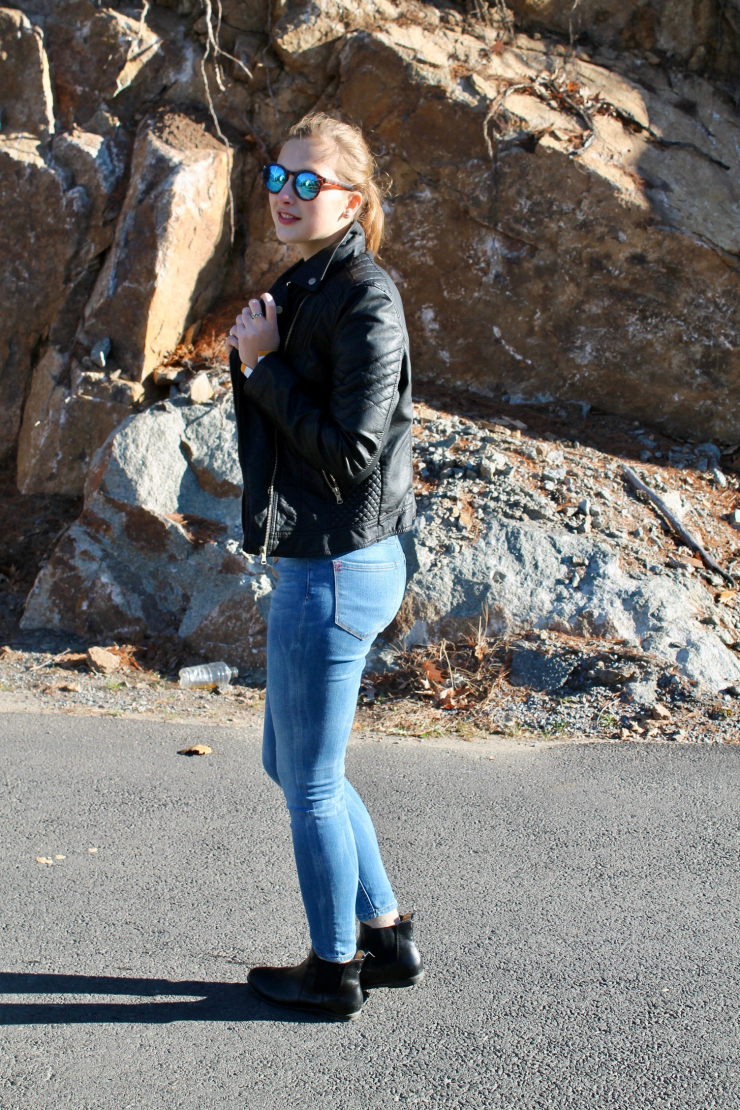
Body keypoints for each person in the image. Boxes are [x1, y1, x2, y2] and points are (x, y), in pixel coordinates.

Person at [226, 112, 423, 1021]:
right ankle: (381, 931)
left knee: (306, 781)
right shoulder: (310, 282)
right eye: (278, 177)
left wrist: (263, 368)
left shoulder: (365, 300)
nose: (286, 195)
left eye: (308, 182)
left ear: (351, 199)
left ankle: (332, 968)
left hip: (340, 566)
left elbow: (350, 456)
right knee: (291, 762)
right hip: (328, 560)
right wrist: (263, 356)